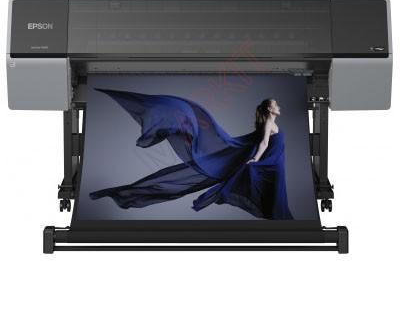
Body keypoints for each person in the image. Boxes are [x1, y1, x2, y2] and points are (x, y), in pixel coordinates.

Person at [90, 89, 293, 220]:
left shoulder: (271, 123)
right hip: (269, 165)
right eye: (276, 104)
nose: (279, 106)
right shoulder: (269, 123)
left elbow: (263, 143)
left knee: (274, 198)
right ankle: (284, 227)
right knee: (274, 198)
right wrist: (255, 159)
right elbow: (264, 143)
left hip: (274, 164)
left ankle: (283, 226)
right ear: (270, 108)